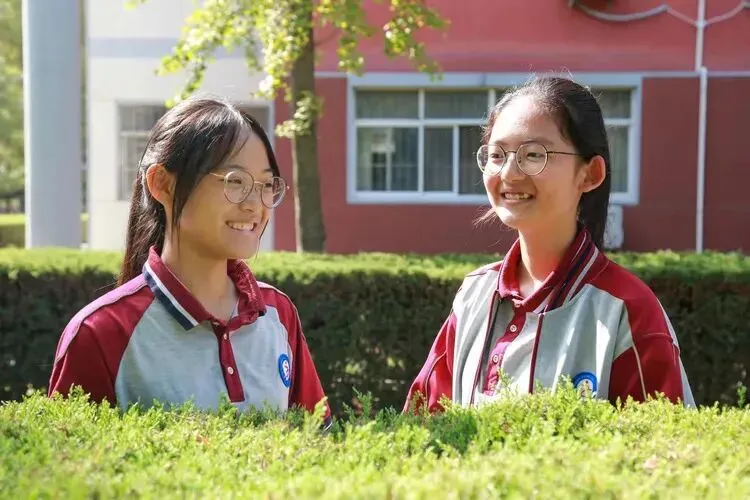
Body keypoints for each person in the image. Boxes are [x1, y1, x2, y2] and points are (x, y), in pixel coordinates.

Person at [404, 76, 695, 413]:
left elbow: (664, 440)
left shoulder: (625, 310)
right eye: (497, 155)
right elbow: (422, 426)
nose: (509, 174)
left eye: (533, 154)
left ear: (589, 174)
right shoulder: (474, 296)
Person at [48, 96, 330, 425]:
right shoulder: (100, 333)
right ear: (163, 185)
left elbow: (316, 440)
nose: (255, 205)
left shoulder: (277, 313)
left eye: (267, 185)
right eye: (235, 181)